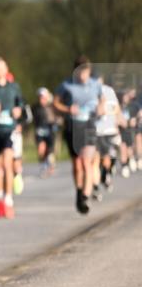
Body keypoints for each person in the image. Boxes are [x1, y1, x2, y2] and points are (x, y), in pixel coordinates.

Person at [53, 55, 104, 214]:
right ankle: (79, 190)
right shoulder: (66, 85)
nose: (83, 75)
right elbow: (55, 103)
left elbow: (102, 100)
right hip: (72, 126)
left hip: (89, 126)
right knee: (77, 165)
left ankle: (85, 197)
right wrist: (68, 109)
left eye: (86, 72)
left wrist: (101, 108)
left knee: (86, 162)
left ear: (89, 71)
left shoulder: (95, 84)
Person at [0, 58, 24, 219]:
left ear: (6, 69)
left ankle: (8, 200)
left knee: (7, 163)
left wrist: (18, 111)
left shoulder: (14, 87)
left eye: (0, 68)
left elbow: (21, 104)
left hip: (9, 130)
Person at [93, 74, 123, 195]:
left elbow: (116, 108)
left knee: (106, 157)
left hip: (108, 130)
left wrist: (116, 121)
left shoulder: (109, 91)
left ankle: (106, 175)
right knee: (94, 159)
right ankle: (95, 187)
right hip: (94, 131)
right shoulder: (89, 92)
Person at [32, 88, 59, 178]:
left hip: (50, 131)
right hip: (39, 131)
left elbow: (58, 118)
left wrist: (55, 124)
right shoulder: (35, 108)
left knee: (50, 152)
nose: (41, 99)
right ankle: (44, 166)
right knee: (41, 150)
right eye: (40, 97)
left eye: (43, 97)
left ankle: (50, 165)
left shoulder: (51, 107)